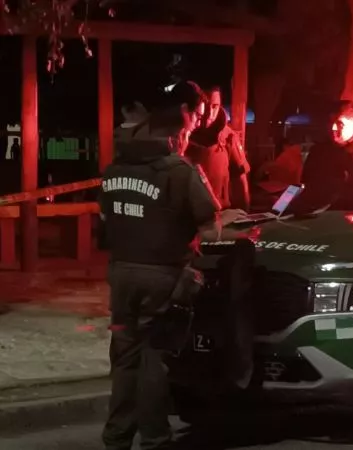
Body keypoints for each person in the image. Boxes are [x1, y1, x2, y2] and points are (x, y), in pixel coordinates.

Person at [99, 80, 246, 450]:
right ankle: (156, 440)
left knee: (125, 360)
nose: (189, 138)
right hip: (163, 279)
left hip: (121, 277)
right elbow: (209, 229)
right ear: (178, 132)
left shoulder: (114, 169)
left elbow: (107, 221)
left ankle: (116, 439)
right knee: (154, 360)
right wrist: (231, 220)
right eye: (189, 130)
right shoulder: (181, 171)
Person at [294, 100, 353, 212]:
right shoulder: (318, 151)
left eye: (339, 123)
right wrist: (281, 206)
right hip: (315, 214)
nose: (333, 128)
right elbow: (303, 185)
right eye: (330, 122)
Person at [185, 86, 251, 210]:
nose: (209, 113)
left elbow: (240, 181)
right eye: (206, 105)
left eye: (215, 106)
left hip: (221, 214)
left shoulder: (228, 137)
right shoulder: (182, 135)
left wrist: (245, 215)